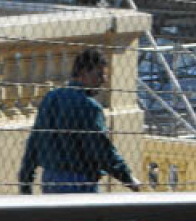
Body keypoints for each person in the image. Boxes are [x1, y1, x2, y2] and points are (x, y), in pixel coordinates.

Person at [18, 48, 143, 194]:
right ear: (84, 73)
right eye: (100, 74)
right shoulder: (90, 107)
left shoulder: (51, 98)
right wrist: (127, 178)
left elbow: (34, 142)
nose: (104, 80)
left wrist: (26, 179)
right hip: (81, 180)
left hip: (51, 179)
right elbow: (102, 149)